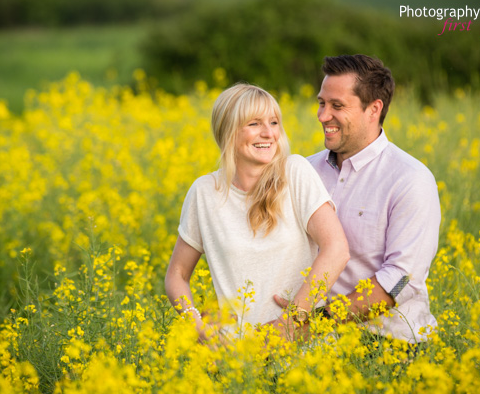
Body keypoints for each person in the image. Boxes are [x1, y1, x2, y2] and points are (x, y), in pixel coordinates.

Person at [164, 83, 350, 341]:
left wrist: (290, 323)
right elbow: (177, 275)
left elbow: (337, 249)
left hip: (301, 354)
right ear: (228, 131)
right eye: (254, 124)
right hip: (234, 359)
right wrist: (197, 326)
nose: (268, 133)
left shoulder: (295, 172)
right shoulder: (204, 192)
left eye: (274, 123)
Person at [276, 54, 441, 344]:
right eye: (321, 103)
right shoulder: (303, 171)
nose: (323, 116)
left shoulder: (410, 179)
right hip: (309, 343)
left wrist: (314, 321)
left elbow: (402, 280)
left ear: (373, 109)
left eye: (337, 106)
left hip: (385, 345)